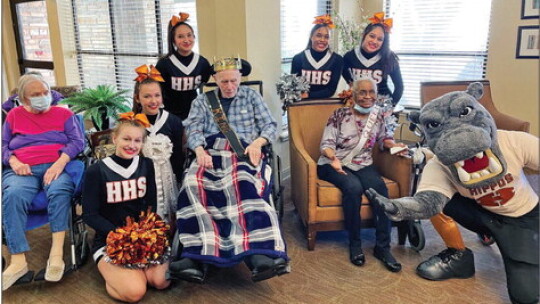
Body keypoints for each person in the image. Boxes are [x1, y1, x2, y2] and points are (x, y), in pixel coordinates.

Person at [367, 82, 539, 304]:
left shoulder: (514, 141)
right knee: (439, 200)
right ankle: (459, 254)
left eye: (465, 112)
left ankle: (507, 239)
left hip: (523, 218)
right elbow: (426, 202)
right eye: (435, 125)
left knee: (526, 295)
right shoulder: (438, 164)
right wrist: (397, 207)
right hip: (481, 214)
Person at [169, 57, 289, 283]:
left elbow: (270, 125)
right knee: (193, 185)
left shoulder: (252, 97)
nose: (229, 86)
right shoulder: (203, 101)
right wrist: (199, 150)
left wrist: (258, 143)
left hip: (244, 151)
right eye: (223, 81)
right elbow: (193, 128)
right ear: (215, 79)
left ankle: (258, 253)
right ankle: (195, 255)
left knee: (243, 184)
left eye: (234, 81)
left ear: (241, 78)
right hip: (210, 152)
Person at [2, 74, 85, 290]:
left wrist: (59, 163)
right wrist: (13, 160)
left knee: (59, 191)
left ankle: (56, 255)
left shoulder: (64, 114)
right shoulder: (13, 116)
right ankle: (18, 260)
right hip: (23, 169)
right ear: (23, 98)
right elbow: (2, 146)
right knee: (12, 195)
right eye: (36, 95)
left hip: (56, 164)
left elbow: (78, 142)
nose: (43, 97)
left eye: (46, 92)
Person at [317, 78, 407, 272]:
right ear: (353, 94)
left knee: (381, 191)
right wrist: (333, 159)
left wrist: (394, 145)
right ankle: (355, 245)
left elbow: (384, 139)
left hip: (363, 164)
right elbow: (326, 145)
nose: (367, 97)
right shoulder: (339, 114)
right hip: (332, 163)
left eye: (371, 92)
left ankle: (382, 248)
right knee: (353, 188)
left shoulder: (379, 115)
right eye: (362, 92)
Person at [82, 114, 170, 303]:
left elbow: (151, 205)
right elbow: (89, 215)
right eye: (126, 139)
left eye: (137, 140)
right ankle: (115, 275)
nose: (132, 145)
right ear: (115, 139)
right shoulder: (96, 171)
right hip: (110, 239)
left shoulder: (146, 164)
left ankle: (135, 271)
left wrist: (145, 236)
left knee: (161, 281)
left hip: (142, 237)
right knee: (135, 292)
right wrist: (120, 235)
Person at [132, 64, 184, 224]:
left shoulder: (173, 121)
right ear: (137, 98)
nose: (153, 101)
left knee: (171, 215)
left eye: (157, 95)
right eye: (147, 96)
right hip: (142, 178)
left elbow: (178, 155)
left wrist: (179, 178)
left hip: (167, 175)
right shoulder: (132, 122)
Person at [155, 12, 212, 120]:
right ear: (173, 40)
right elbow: (157, 92)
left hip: (195, 115)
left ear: (194, 37)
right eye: (180, 36)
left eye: (189, 35)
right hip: (169, 117)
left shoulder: (202, 63)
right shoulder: (164, 64)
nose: (186, 40)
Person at [342, 12, 403, 106]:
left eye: (380, 39)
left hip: (381, 105)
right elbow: (347, 77)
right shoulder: (349, 56)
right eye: (372, 36)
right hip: (358, 104)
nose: (374, 41)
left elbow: (399, 87)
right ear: (364, 35)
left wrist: (391, 107)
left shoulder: (389, 58)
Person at [291, 14, 343, 99]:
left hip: (324, 104)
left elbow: (331, 90)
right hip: (302, 105)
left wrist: (308, 95)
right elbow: (294, 88)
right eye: (318, 35)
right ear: (311, 36)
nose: (322, 40)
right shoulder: (298, 59)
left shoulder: (337, 60)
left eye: (326, 37)